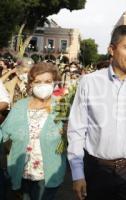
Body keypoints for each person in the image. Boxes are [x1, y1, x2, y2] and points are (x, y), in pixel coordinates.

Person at [67, 25, 126, 200]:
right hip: (96, 170)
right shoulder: (89, 83)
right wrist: (77, 173)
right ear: (112, 49)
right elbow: (77, 130)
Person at [0, 62, 66, 200]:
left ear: (54, 83)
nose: (43, 85)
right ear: (31, 84)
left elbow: (70, 135)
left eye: (48, 81)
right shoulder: (20, 106)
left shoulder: (61, 106)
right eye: (38, 81)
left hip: (47, 175)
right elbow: (3, 133)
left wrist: (66, 134)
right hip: (21, 172)